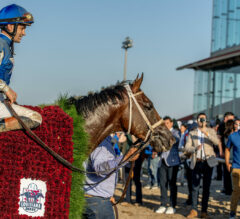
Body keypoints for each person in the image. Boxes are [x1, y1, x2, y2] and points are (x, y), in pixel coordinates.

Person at [0, 4, 42, 132]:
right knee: (35, 118)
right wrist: (6, 89)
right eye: (22, 28)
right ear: (10, 26)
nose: (24, 33)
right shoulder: (1, 44)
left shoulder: (7, 45)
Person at [83, 133, 139, 219]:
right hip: (98, 202)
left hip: (95, 199)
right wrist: (125, 158)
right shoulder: (101, 141)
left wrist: (108, 194)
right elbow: (100, 169)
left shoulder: (99, 138)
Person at [185, 113, 220, 218]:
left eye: (203, 119)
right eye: (200, 119)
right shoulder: (192, 133)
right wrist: (194, 148)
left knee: (206, 187)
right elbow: (187, 147)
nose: (201, 121)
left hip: (208, 161)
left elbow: (217, 142)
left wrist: (207, 134)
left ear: (206, 120)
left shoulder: (211, 131)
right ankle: (194, 210)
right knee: (195, 187)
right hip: (197, 161)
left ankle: (204, 211)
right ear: (197, 121)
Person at [155, 116, 180, 215]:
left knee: (172, 184)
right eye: (164, 123)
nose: (165, 125)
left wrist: (162, 135)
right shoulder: (161, 133)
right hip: (162, 161)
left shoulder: (176, 132)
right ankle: (163, 204)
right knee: (162, 183)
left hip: (173, 162)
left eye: (167, 123)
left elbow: (173, 141)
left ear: (171, 123)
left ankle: (173, 205)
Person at [218, 112, 235, 195]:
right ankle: (228, 189)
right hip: (227, 152)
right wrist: (221, 151)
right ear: (225, 119)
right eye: (231, 119)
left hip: (234, 153)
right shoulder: (221, 126)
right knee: (226, 170)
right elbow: (219, 140)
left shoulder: (235, 128)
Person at [225, 126, 240, 219]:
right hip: (236, 167)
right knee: (236, 191)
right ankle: (233, 211)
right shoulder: (233, 136)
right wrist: (227, 163)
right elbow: (227, 149)